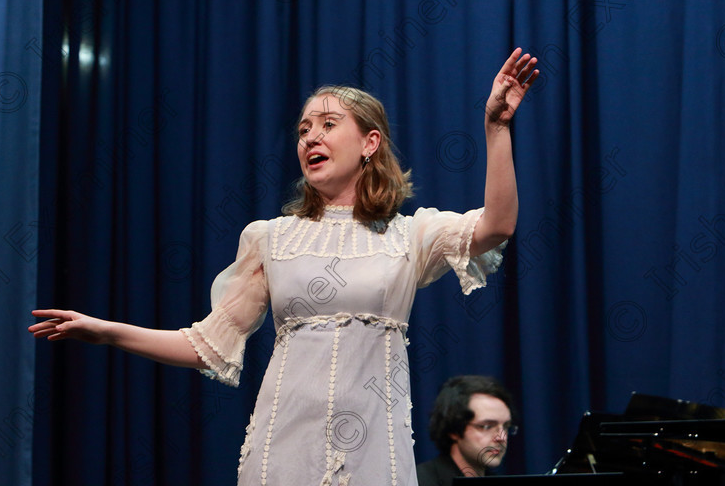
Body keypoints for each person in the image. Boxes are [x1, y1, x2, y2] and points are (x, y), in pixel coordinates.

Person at [29, 49, 539, 485]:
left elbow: (497, 224)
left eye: (328, 125)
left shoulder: (411, 233)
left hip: (373, 454)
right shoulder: (270, 239)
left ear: (370, 143)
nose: (310, 138)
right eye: (303, 130)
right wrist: (107, 331)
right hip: (283, 448)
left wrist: (496, 128)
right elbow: (206, 346)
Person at [416, 375, 518, 484]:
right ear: (454, 429)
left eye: (506, 426)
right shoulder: (417, 481)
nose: (502, 438)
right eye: (487, 426)